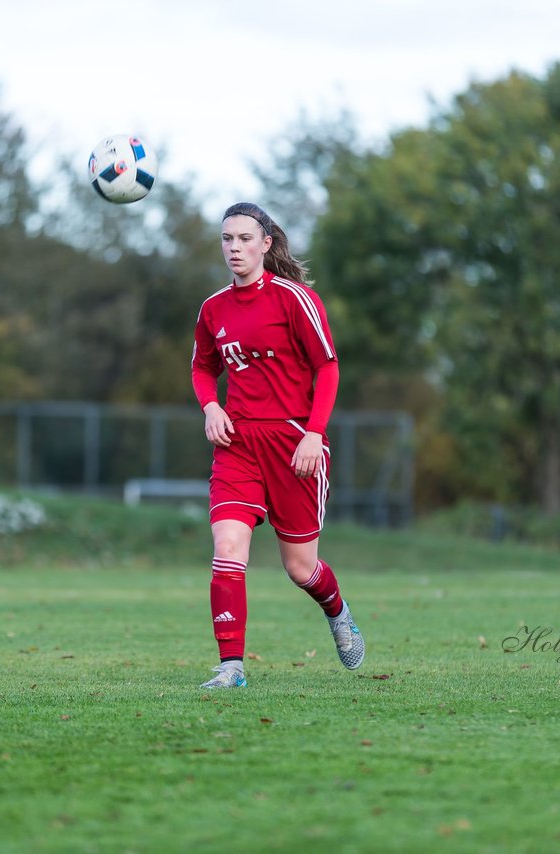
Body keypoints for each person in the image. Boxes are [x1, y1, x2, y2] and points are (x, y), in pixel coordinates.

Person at [189, 201, 364, 689]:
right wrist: (210, 407)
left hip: (294, 446)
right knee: (227, 547)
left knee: (300, 567)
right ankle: (231, 668)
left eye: (244, 239)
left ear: (265, 244)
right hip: (238, 444)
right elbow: (203, 367)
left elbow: (327, 366)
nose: (234, 248)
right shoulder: (213, 308)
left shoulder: (294, 299)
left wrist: (313, 432)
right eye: (227, 239)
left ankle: (337, 611)